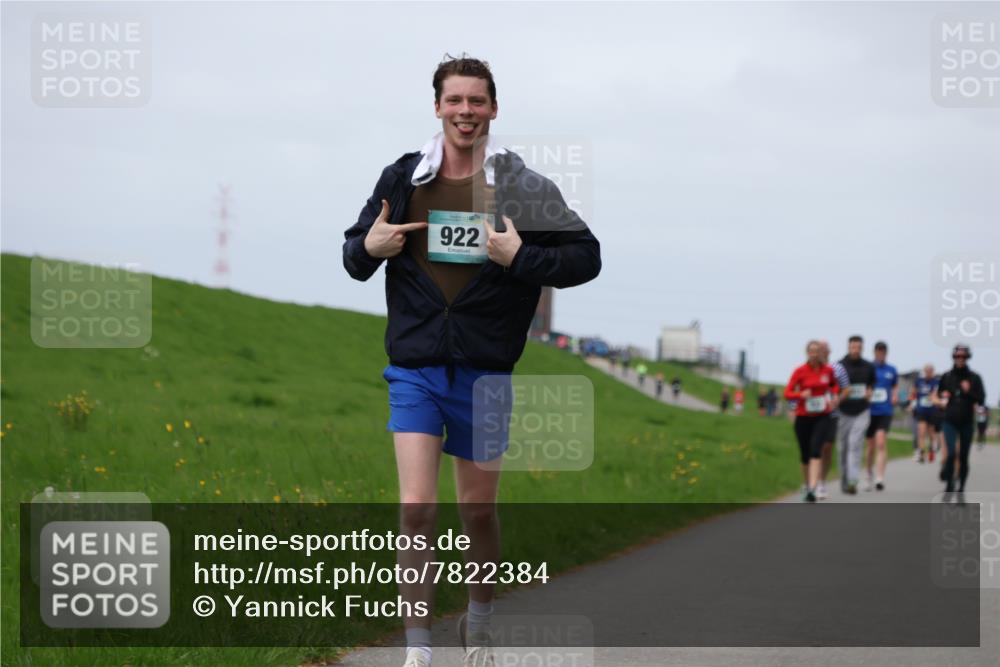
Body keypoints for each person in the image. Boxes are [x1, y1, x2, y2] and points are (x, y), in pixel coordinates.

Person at [343, 55, 601, 667]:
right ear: (437, 107)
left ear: (493, 109)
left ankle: (478, 622)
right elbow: (355, 253)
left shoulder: (523, 187)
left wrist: (522, 260)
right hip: (415, 368)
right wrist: (368, 248)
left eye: (476, 101)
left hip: (486, 373)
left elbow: (586, 257)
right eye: (454, 100)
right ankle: (418, 649)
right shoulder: (403, 177)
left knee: (478, 510)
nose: (465, 112)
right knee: (418, 509)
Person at [784, 340, 840, 502]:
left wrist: (834, 396)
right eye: (812, 351)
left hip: (822, 416)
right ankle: (807, 484)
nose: (814, 354)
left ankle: (813, 488)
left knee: (816, 450)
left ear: (821, 353)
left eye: (817, 351)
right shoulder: (799, 371)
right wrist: (800, 395)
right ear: (807, 353)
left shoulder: (827, 370)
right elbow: (787, 392)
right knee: (805, 455)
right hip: (803, 416)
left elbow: (834, 385)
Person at [933, 344, 986, 495]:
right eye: (958, 356)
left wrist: (968, 391)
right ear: (954, 357)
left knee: (963, 456)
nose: (960, 359)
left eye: (963, 357)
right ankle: (949, 483)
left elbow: (981, 399)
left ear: (967, 358)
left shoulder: (974, 378)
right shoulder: (947, 376)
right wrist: (942, 400)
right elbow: (939, 395)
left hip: (967, 422)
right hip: (949, 420)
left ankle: (961, 486)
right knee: (950, 454)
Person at [836, 335, 875, 495]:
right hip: (843, 411)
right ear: (848, 347)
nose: (855, 350)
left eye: (858, 347)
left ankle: (853, 480)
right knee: (843, 447)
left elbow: (872, 385)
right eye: (853, 347)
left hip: (862, 410)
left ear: (862, 348)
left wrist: (869, 392)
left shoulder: (868, 366)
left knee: (855, 443)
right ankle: (844, 480)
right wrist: (842, 393)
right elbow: (833, 387)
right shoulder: (839, 366)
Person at [863, 341, 898, 491]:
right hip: (870, 411)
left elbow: (895, 385)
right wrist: (866, 393)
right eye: (878, 351)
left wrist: (895, 395)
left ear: (886, 353)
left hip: (885, 410)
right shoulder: (868, 368)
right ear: (874, 352)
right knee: (870, 447)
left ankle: (879, 478)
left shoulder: (892, 370)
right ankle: (868, 474)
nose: (881, 353)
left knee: (881, 443)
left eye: (883, 351)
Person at [817, 340, 848, 500]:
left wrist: (838, 399)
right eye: (819, 349)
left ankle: (822, 482)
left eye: (825, 349)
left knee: (827, 447)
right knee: (814, 449)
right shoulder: (809, 368)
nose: (822, 352)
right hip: (812, 415)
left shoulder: (838, 369)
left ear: (829, 351)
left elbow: (846, 389)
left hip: (832, 414)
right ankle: (811, 481)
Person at [912, 364, 942, 463]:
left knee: (931, 433)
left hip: (932, 411)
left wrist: (935, 398)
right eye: (927, 371)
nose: (928, 373)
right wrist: (912, 403)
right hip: (921, 410)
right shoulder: (919, 381)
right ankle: (921, 453)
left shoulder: (936, 382)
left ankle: (932, 450)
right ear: (924, 371)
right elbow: (913, 393)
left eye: (930, 371)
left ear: (933, 372)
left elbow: (938, 395)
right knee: (921, 432)